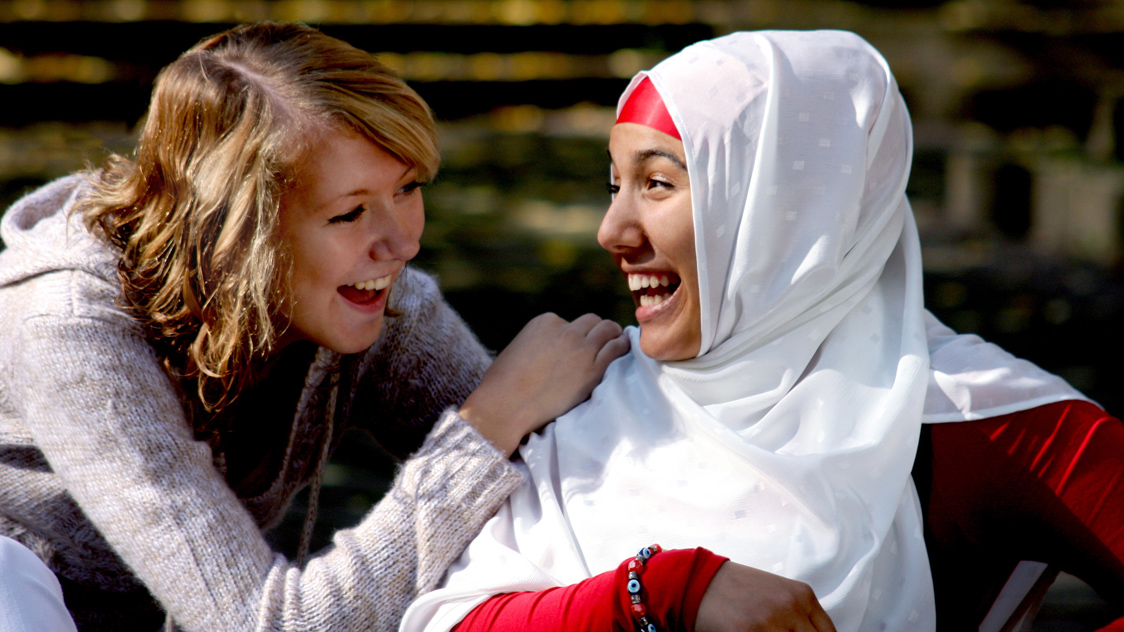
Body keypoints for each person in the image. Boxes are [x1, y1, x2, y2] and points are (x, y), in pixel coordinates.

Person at [398, 30, 1124, 632]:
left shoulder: (965, 417)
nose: (611, 230)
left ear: (785, 209)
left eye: (657, 183)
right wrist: (662, 591)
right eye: (612, 183)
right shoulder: (590, 395)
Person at [0, 22, 629, 632]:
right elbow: (268, 624)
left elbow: (554, 479)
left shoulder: (371, 295)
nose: (401, 242)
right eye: (350, 211)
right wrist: (487, 426)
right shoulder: (71, 332)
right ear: (237, 232)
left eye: (408, 188)